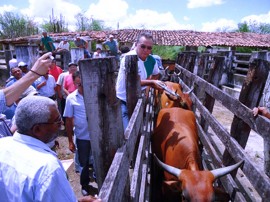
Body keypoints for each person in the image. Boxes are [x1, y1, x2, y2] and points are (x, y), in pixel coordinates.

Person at [0, 96, 100, 202]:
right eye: (57, 121)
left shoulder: (3, 144)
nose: (62, 124)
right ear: (37, 129)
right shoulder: (47, 168)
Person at [116, 32, 164, 130]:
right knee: (127, 133)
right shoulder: (128, 58)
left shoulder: (151, 60)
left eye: (149, 48)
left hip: (138, 98)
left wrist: (149, 85)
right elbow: (132, 82)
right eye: (143, 46)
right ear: (137, 44)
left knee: (137, 129)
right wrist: (151, 83)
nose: (146, 50)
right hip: (124, 100)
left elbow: (156, 74)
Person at [64, 71, 95, 196]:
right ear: (75, 83)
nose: (81, 86)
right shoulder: (71, 99)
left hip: (97, 136)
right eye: (78, 84)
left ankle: (101, 180)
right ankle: (85, 185)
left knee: (99, 160)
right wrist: (70, 141)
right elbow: (68, 121)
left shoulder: (95, 95)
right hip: (82, 137)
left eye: (83, 83)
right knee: (83, 162)